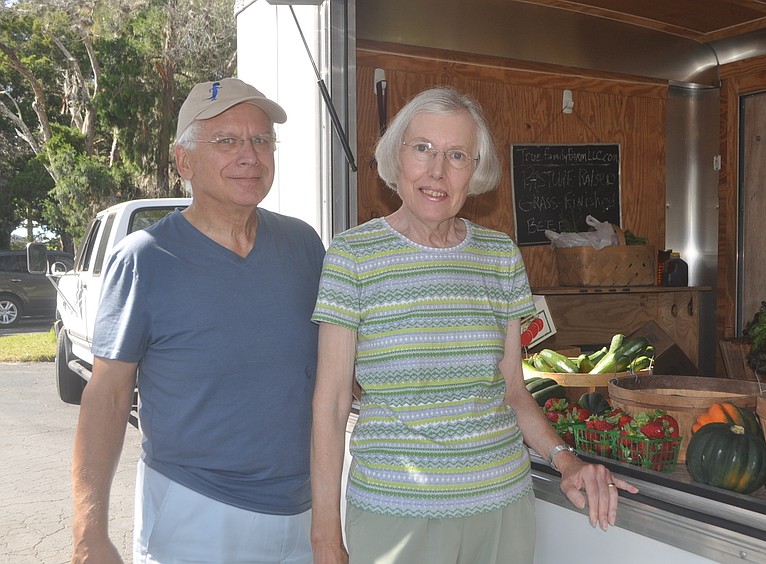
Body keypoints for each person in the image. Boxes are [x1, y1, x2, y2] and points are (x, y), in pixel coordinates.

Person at [309, 86, 638, 564]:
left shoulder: (500, 255)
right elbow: (331, 402)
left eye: (457, 155)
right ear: (395, 157)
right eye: (422, 148)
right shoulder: (352, 255)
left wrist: (566, 460)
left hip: (501, 509)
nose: (437, 171)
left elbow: (513, 390)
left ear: (475, 170)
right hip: (396, 514)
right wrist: (324, 535)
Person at [71, 77, 325, 563]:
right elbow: (106, 396)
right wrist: (89, 533)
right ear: (184, 161)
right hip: (194, 512)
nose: (249, 155)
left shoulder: (304, 245)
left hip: (306, 509)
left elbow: (333, 369)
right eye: (226, 141)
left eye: (261, 139)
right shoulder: (145, 259)